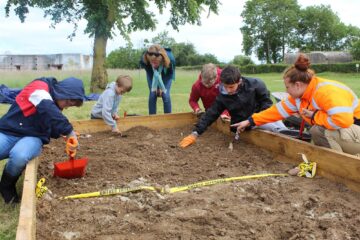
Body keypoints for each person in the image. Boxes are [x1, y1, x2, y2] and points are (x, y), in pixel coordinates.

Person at [231, 53, 360, 155]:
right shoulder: (300, 97)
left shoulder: (326, 92)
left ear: (298, 85)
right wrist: (250, 121)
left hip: (355, 127)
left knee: (318, 131)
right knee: (317, 130)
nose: (286, 91)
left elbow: (343, 121)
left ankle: (342, 164)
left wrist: (315, 116)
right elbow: (275, 111)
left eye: (287, 87)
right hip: (348, 131)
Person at [0, 77, 85, 203]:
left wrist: (61, 134)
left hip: (32, 137)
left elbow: (49, 124)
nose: (66, 108)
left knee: (20, 156)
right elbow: (46, 107)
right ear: (63, 93)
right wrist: (69, 132)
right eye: (68, 103)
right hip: (8, 131)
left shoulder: (55, 103)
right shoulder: (40, 87)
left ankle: (6, 186)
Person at [179, 65, 288, 148]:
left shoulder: (256, 84)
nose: (228, 90)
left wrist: (254, 119)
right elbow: (210, 114)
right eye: (225, 87)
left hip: (261, 118)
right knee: (273, 133)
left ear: (239, 81)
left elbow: (267, 104)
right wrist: (195, 133)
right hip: (243, 126)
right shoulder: (222, 96)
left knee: (280, 129)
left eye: (231, 87)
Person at [140, 44, 176, 115]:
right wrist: (155, 87)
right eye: (152, 62)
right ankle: (152, 118)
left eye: (156, 62)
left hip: (166, 74)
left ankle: (168, 118)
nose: (153, 64)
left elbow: (170, 74)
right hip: (152, 74)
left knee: (165, 95)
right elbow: (150, 73)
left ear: (161, 59)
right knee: (152, 94)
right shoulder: (144, 59)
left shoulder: (170, 59)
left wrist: (162, 87)